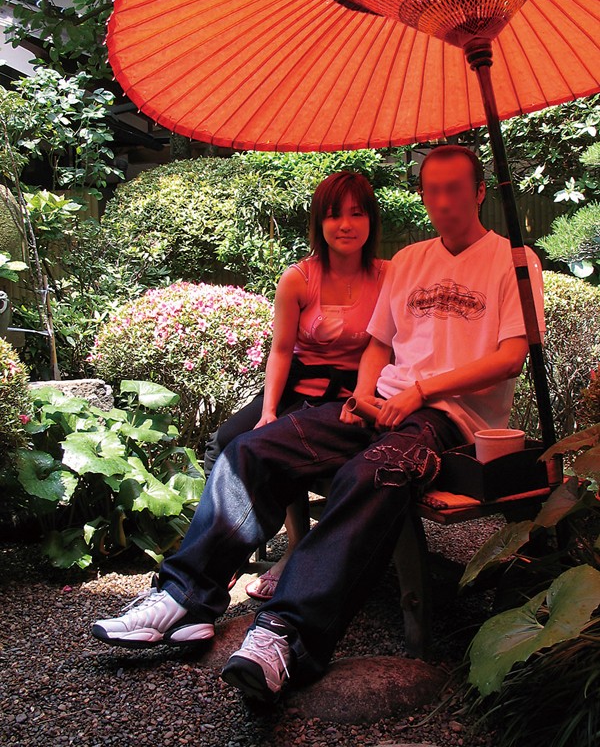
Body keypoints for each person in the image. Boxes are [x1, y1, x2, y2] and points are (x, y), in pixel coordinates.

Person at [91, 146, 545, 706]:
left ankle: (286, 634)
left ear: (479, 192)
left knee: (371, 473)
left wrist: (423, 391)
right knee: (252, 449)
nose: (443, 201)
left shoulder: (513, 260)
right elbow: (379, 344)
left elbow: (511, 357)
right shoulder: (410, 260)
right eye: (432, 190)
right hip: (382, 402)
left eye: (455, 188)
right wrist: (364, 394)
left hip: (449, 417)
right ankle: (185, 596)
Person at [203, 171, 387, 599]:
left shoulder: (388, 276)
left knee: (289, 448)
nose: (345, 225)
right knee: (228, 440)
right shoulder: (299, 278)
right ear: (319, 223)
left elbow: (388, 345)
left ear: (371, 220)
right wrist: (268, 411)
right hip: (298, 385)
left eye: (357, 214)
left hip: (355, 393)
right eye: (334, 215)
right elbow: (282, 350)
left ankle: (295, 553)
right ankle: (229, 548)